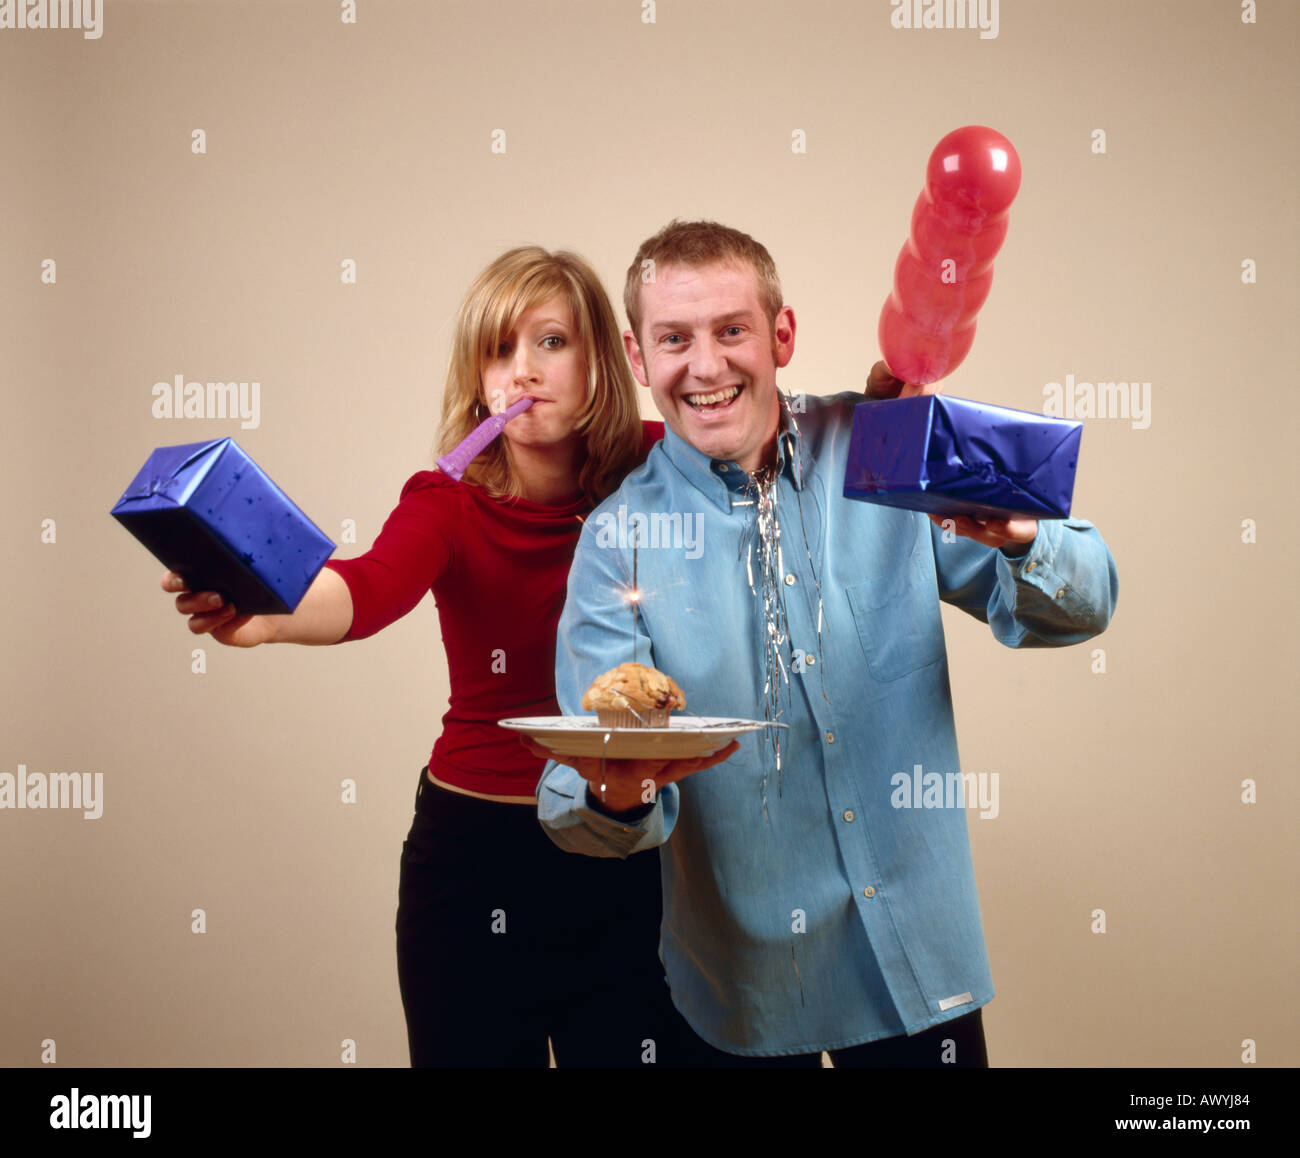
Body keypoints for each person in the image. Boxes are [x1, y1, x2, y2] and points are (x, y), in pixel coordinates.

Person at [533, 220, 1120, 1067]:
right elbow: (576, 801)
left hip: (921, 967)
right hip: (745, 997)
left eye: (732, 330)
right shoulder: (618, 538)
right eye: (674, 339)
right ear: (636, 355)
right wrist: (617, 795)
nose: (705, 366)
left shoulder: (887, 447)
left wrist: (1024, 536)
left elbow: (1089, 597)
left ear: (782, 334)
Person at [160, 245, 722, 1067]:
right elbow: (365, 589)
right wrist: (269, 616)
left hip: (628, 845)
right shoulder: (446, 501)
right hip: (475, 861)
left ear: (604, 356)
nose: (520, 372)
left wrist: (881, 413)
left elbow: (765, 455)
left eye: (551, 343)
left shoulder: (658, 466)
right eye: (498, 350)